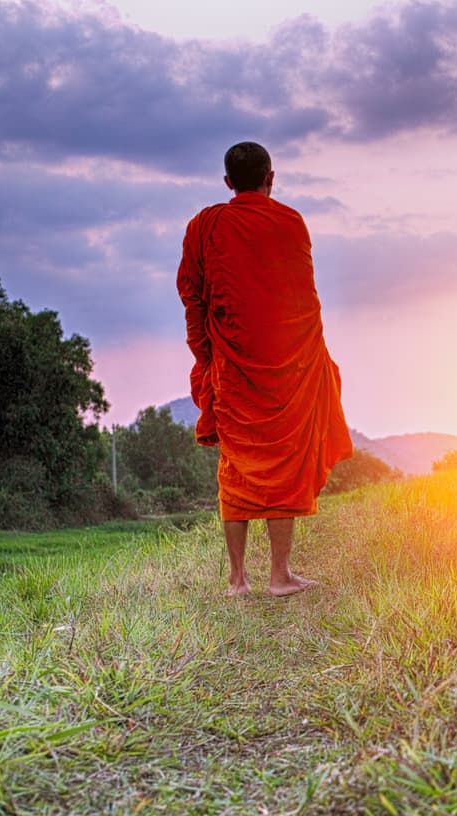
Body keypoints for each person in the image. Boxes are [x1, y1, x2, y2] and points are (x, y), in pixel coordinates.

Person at [177, 142, 352, 597]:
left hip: (232, 364)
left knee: (236, 466)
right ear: (271, 178)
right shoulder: (291, 222)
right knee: (285, 463)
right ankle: (280, 575)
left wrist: (206, 353)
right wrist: (310, 356)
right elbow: (304, 300)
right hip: (287, 366)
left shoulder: (205, 225)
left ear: (228, 182)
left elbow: (191, 294)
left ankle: (238, 581)